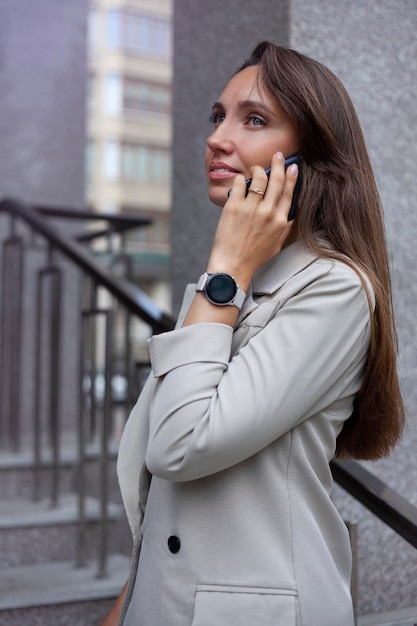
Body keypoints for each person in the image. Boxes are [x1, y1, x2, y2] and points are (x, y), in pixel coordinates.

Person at [101, 41, 405, 626]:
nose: (218, 138)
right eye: (218, 116)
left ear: (309, 157)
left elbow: (180, 445)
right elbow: (165, 493)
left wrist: (227, 272)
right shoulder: (236, 276)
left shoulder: (333, 289)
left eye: (254, 119)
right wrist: (130, 600)